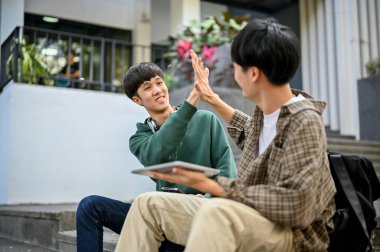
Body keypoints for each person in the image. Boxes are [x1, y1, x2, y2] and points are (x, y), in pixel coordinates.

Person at [115, 17, 337, 252]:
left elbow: (297, 204)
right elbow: (248, 131)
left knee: (216, 211)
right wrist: (210, 97)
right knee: (147, 203)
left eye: (236, 66)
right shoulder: (267, 116)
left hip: (290, 235)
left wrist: (216, 187)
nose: (234, 74)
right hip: (245, 215)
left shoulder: (304, 120)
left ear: (253, 74)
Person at [76, 62, 237, 252]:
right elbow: (157, 153)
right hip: (161, 215)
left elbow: (228, 173)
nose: (157, 90)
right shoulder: (140, 138)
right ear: (137, 100)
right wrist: (192, 100)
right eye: (148, 87)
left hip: (198, 212)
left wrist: (207, 197)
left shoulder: (205, 120)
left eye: (159, 83)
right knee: (90, 206)